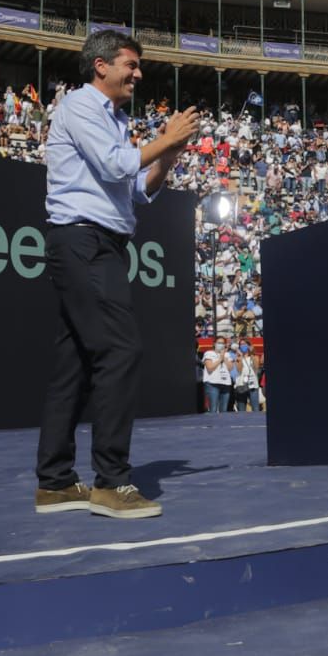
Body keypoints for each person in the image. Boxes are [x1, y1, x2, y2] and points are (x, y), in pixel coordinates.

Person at [36, 32, 196, 518]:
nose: (138, 73)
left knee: (76, 365)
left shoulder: (115, 119)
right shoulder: (81, 105)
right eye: (131, 64)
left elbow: (138, 190)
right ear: (100, 66)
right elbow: (113, 164)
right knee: (121, 349)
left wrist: (167, 157)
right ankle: (111, 483)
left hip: (99, 242)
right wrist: (163, 138)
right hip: (83, 241)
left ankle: (56, 482)